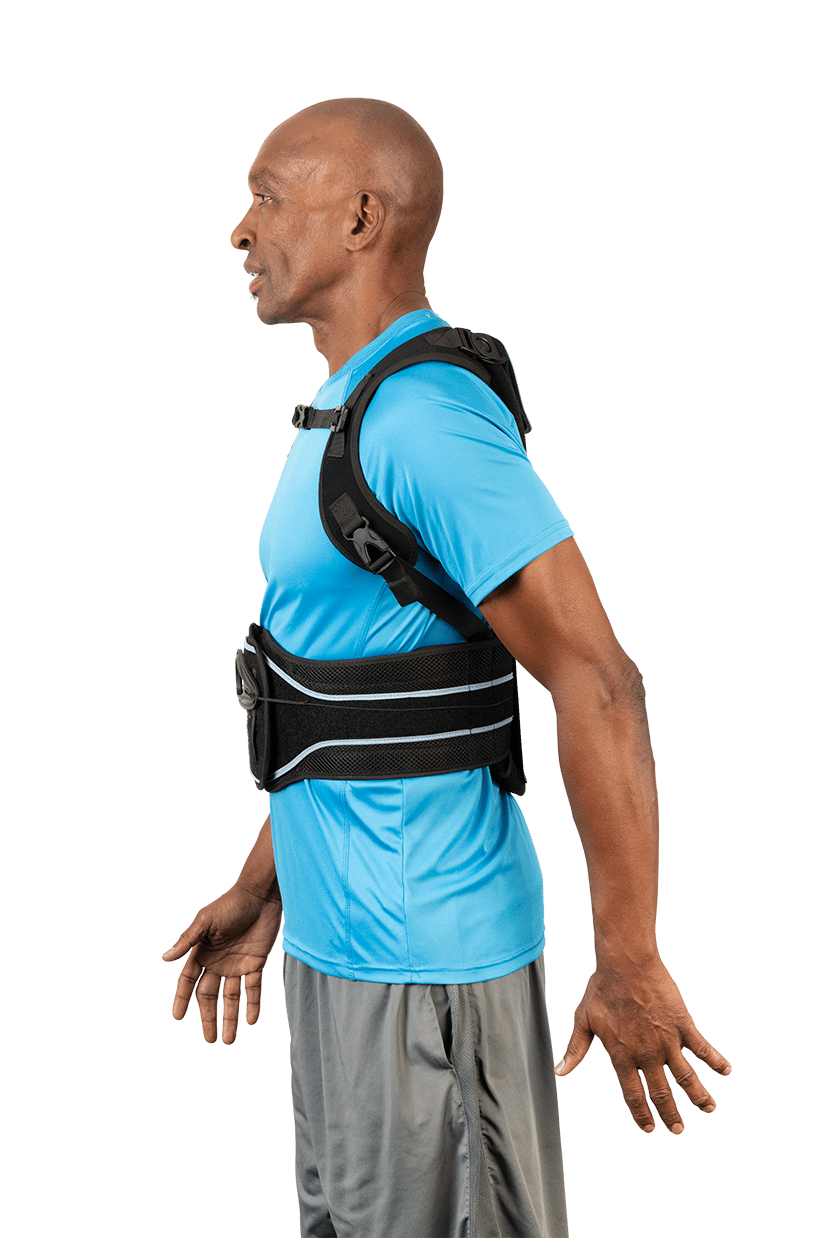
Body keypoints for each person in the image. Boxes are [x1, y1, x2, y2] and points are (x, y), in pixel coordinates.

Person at [162, 97, 732, 1238]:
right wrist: (265, 885)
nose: (240, 229)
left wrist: (627, 956)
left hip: (425, 956)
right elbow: (361, 692)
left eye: (266, 196)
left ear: (362, 218)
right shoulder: (344, 408)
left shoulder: (426, 418)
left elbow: (598, 679)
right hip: (338, 946)